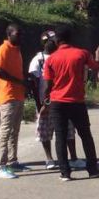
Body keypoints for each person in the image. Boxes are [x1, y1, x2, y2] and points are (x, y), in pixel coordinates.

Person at [42, 25, 99, 181]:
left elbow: (47, 84)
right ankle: (92, 169)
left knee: (61, 137)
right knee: (85, 135)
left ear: (57, 40)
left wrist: (46, 101)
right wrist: (98, 55)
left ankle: (65, 172)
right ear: (71, 38)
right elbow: (96, 67)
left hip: (57, 102)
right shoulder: (81, 54)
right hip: (77, 101)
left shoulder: (51, 59)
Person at [28, 32, 78, 170]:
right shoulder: (38, 60)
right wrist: (40, 104)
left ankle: (73, 157)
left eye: (53, 40)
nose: (51, 42)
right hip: (46, 102)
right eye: (48, 41)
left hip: (62, 99)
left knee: (68, 129)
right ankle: (49, 158)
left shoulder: (60, 56)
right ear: (43, 43)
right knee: (45, 131)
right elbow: (34, 83)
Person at [0, 24, 28, 179]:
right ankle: (1, 165)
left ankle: (13, 161)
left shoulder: (17, 50)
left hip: (18, 95)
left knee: (15, 130)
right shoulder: (3, 49)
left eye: (21, 34)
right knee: (6, 130)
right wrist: (18, 81)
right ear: (9, 34)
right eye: (17, 34)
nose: (20, 37)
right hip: (7, 95)